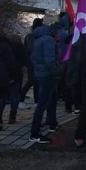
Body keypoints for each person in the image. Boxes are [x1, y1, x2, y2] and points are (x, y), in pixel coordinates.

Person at [29, 14, 59, 143]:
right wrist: (57, 71)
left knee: (51, 99)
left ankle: (52, 124)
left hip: (40, 73)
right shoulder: (48, 39)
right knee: (42, 104)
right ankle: (34, 133)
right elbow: (50, 61)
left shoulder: (38, 38)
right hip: (47, 74)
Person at [20, 18, 43, 106]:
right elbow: (30, 49)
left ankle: (35, 100)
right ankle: (22, 97)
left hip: (30, 60)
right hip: (32, 61)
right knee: (32, 81)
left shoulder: (30, 36)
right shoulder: (32, 37)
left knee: (34, 81)